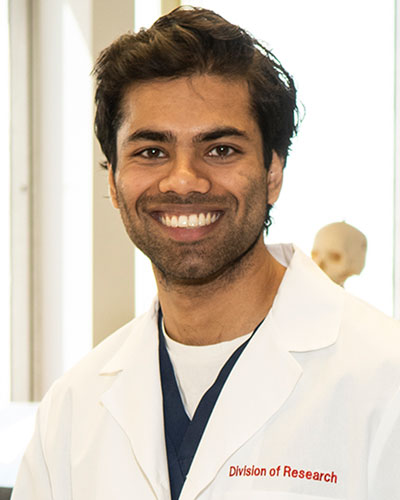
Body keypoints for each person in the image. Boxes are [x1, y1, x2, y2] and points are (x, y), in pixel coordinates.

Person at [12, 6, 400, 500]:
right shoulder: (70, 412)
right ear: (112, 181)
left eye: (220, 149)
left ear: (273, 173)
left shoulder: (386, 382)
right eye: (151, 151)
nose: (184, 181)